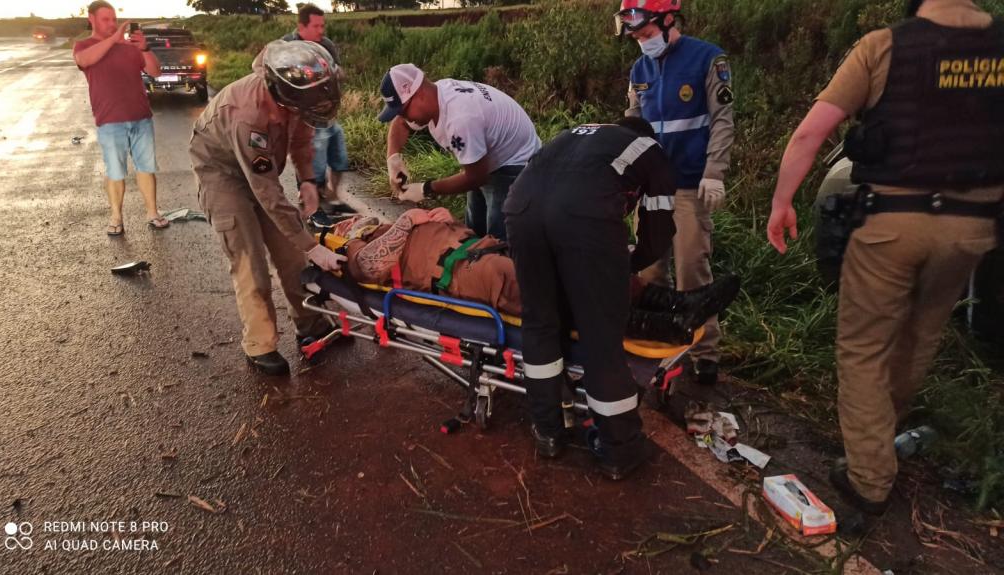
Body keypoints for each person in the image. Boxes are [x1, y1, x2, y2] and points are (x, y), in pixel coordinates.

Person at [766, 0, 1003, 533]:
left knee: (864, 346)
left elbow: (811, 133)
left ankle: (870, 478)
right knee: (920, 334)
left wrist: (782, 203)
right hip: (972, 229)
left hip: (893, 223)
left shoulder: (886, 45)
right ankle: (880, 433)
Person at [503, 118, 680, 480]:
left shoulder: (574, 135)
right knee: (601, 335)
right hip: (582, 215)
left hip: (520, 209)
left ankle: (547, 431)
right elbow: (658, 235)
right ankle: (620, 448)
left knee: (540, 322)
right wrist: (625, 265)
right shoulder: (651, 150)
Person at [315, 208, 738, 342]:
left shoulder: (391, 226)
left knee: (569, 263)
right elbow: (369, 268)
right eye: (344, 223)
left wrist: (440, 219)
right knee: (549, 290)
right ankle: (661, 325)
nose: (353, 219)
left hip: (483, 249)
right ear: (343, 234)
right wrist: (408, 221)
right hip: (467, 274)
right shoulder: (357, 249)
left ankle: (674, 301)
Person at [189, 40, 346, 376]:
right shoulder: (247, 116)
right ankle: (260, 344)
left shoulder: (298, 92)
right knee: (250, 261)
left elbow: (301, 139)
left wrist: (307, 180)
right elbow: (267, 192)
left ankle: (312, 324)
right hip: (223, 174)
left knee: (292, 256)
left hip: (261, 172)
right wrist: (313, 246)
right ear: (283, 95)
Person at [619, 0, 735, 384]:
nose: (642, 41)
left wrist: (714, 172)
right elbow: (633, 125)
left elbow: (722, 120)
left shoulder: (708, 59)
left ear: (669, 19)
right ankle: (659, 344)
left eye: (647, 33)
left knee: (691, 272)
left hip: (689, 184)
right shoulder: (639, 70)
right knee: (649, 270)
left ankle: (704, 354)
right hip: (650, 187)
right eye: (636, 36)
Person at [378, 63, 541, 240]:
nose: (404, 117)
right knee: (474, 227)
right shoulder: (437, 94)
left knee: (497, 240)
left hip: (515, 162)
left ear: (419, 93)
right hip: (486, 157)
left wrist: (426, 189)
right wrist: (393, 159)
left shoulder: (460, 119)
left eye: (403, 111)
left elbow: (476, 177)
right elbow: (400, 123)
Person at [74, 0, 169, 236]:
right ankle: (116, 217)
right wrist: (113, 39)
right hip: (109, 121)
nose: (111, 24)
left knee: (146, 168)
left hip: (141, 118)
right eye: (105, 19)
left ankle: (153, 213)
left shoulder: (129, 47)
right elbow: (83, 61)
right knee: (115, 171)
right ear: (91, 19)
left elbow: (155, 71)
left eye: (114, 19)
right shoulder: (84, 45)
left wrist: (144, 48)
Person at [282, 3, 355, 218]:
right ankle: (312, 206)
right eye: (316, 26)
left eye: (323, 25)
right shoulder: (287, 46)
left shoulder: (326, 45)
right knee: (314, 163)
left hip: (328, 113)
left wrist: (336, 73)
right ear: (301, 26)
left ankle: (332, 198)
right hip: (304, 117)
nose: (321, 30)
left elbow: (339, 72)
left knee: (340, 159)